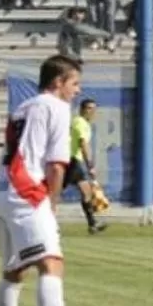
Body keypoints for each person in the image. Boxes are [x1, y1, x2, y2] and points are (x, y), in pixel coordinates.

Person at [0, 54, 85, 306]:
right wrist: (51, 204)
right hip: (25, 189)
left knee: (14, 269)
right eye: (75, 83)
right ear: (58, 83)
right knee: (51, 263)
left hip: (0, 188)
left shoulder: (24, 105)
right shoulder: (57, 107)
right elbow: (56, 165)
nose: (77, 91)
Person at [66, 99, 107, 235]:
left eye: (94, 109)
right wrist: (90, 166)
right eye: (89, 108)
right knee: (50, 195)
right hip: (71, 161)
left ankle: (92, 224)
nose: (92, 112)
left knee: (87, 192)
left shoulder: (80, 123)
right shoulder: (80, 122)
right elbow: (83, 145)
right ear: (82, 109)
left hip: (72, 161)